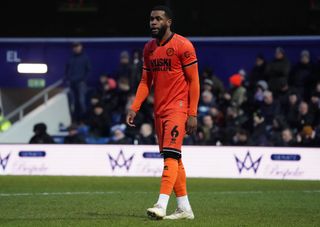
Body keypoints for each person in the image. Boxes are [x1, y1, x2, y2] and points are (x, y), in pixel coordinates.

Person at [126, 5, 199, 220]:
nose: (154, 23)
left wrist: (192, 113)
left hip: (178, 109)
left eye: (158, 19)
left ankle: (161, 204)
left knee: (170, 155)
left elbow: (194, 81)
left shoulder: (183, 45)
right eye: (151, 19)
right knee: (175, 158)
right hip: (160, 110)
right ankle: (185, 208)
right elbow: (145, 81)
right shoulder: (148, 48)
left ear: (168, 22)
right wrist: (135, 107)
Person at [64, 42, 91, 122]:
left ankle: (84, 120)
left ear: (81, 47)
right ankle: (74, 120)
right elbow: (67, 70)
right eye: (74, 47)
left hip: (81, 83)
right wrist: (68, 79)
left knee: (81, 101)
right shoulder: (71, 58)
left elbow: (88, 70)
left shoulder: (85, 58)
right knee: (73, 102)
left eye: (77, 46)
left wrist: (83, 80)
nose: (76, 48)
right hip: (72, 83)